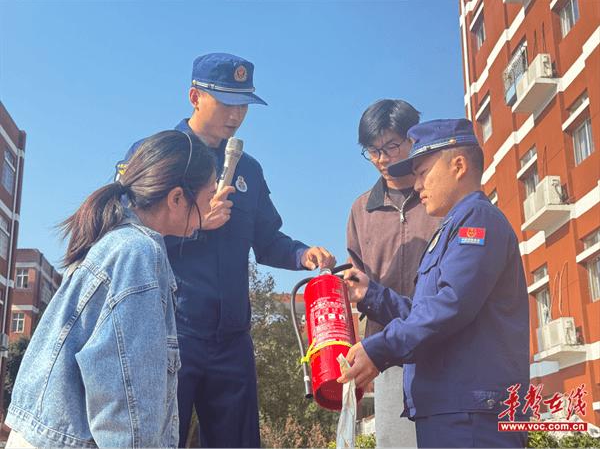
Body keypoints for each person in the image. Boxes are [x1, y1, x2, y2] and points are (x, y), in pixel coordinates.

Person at [116, 52, 336, 448]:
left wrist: (303, 254)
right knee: (157, 439)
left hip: (232, 338)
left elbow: (268, 241)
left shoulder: (248, 169)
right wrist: (195, 225)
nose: (236, 114)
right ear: (195, 96)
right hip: (169, 330)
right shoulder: (157, 155)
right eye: (226, 102)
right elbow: (122, 232)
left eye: (243, 104)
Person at [5, 131, 217, 448]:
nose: (214, 204)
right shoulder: (139, 253)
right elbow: (125, 397)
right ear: (176, 199)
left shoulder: (116, 242)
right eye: (209, 194)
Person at [341, 119, 530, 448]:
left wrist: (378, 349)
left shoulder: (477, 221)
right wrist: (370, 294)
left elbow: (450, 306)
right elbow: (424, 310)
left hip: (471, 410)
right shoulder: (451, 228)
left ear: (458, 166)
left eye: (423, 172)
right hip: (451, 406)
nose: (416, 185)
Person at [347, 99, 441, 447]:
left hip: (442, 347)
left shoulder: (442, 197)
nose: (382, 159)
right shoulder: (361, 210)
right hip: (387, 357)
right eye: (372, 151)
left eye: (391, 146)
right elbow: (358, 285)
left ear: (413, 139)